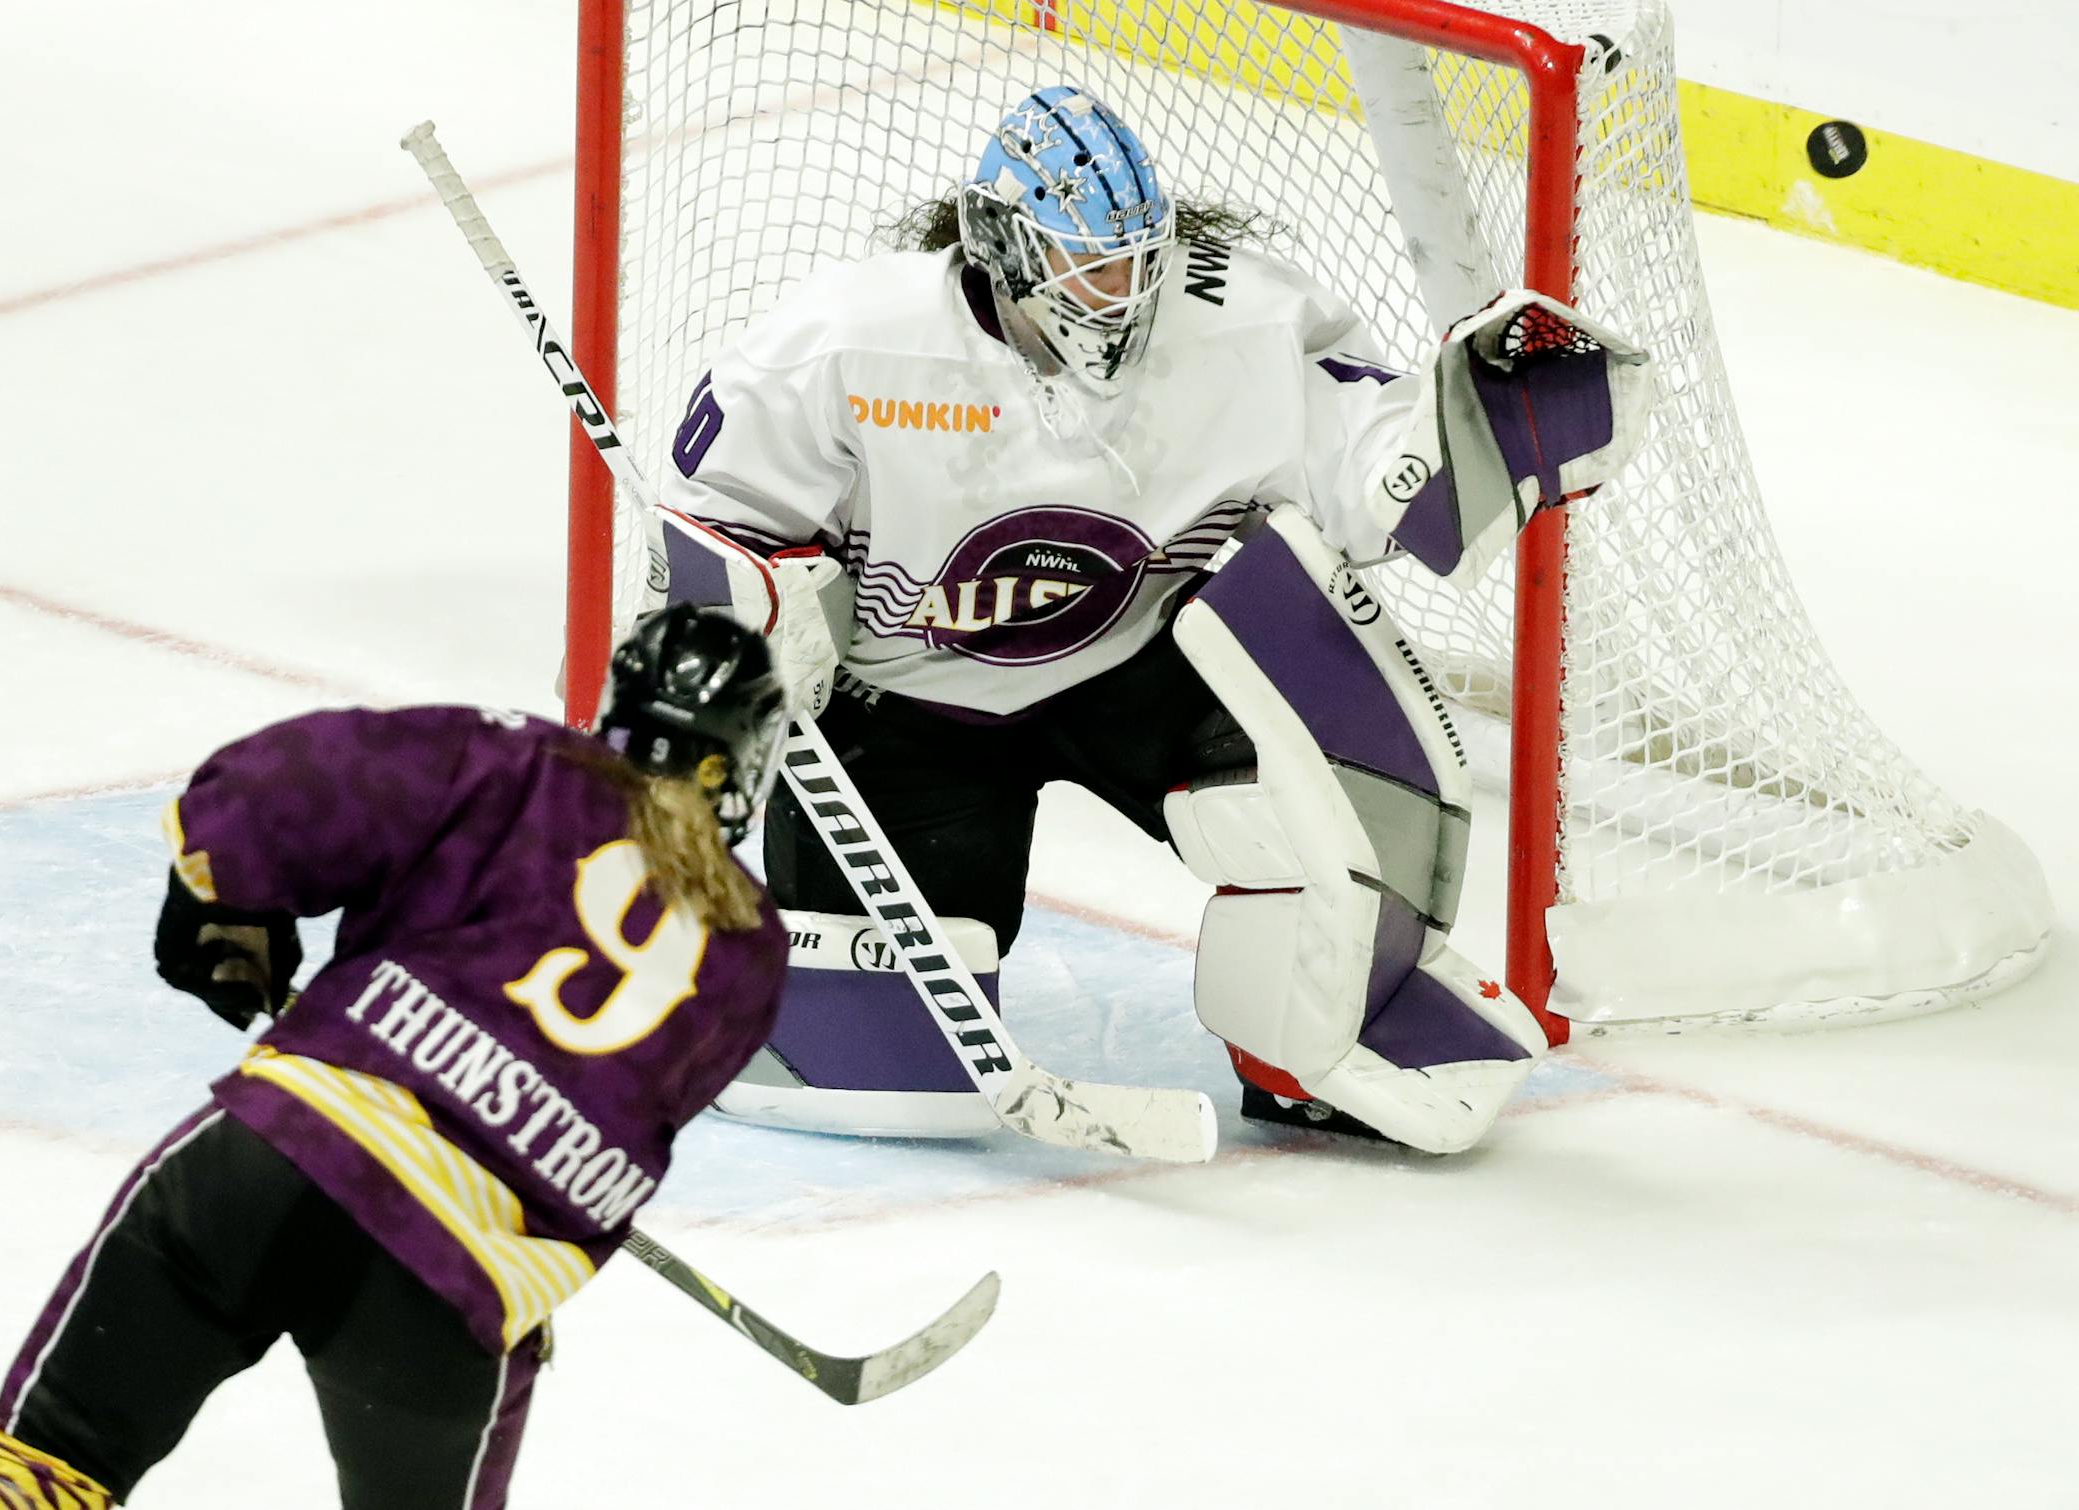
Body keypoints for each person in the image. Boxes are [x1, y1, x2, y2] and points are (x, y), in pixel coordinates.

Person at [655, 86, 1651, 1154]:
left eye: (1137, 259)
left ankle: (1302, 1055)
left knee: (1302, 815)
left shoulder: (1240, 326)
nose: (1120, 293)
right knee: (888, 1068)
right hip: (907, 703)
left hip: (1139, 661)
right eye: (1087, 265)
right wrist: (764, 609)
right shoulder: (847, 344)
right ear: (1001, 249)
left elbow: (1367, 453)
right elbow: (714, 524)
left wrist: (1464, 435)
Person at [0, 605, 790, 1510]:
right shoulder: (751, 954)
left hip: (268, 1161)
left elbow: (288, 784)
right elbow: (616, 1110)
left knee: (40, 1469)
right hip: (449, 1280)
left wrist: (222, 900)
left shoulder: (521, 765)